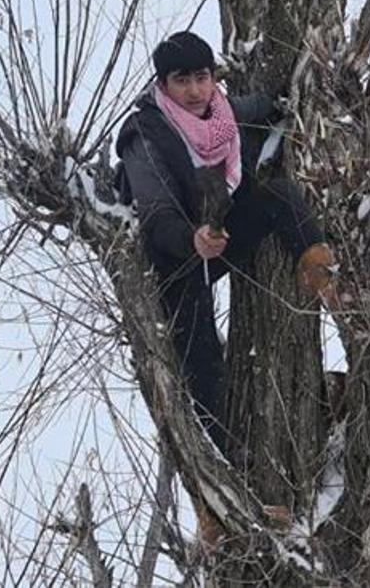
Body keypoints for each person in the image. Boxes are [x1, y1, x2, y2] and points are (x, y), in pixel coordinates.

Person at [115, 31, 336, 454]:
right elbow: (157, 214)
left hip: (217, 234)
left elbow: (257, 108)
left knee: (280, 196)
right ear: (163, 85)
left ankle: (324, 277)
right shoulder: (147, 135)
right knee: (204, 372)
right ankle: (232, 485)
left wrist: (283, 102)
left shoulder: (220, 111)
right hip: (172, 260)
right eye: (182, 81)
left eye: (202, 78)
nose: (195, 91)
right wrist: (191, 240)